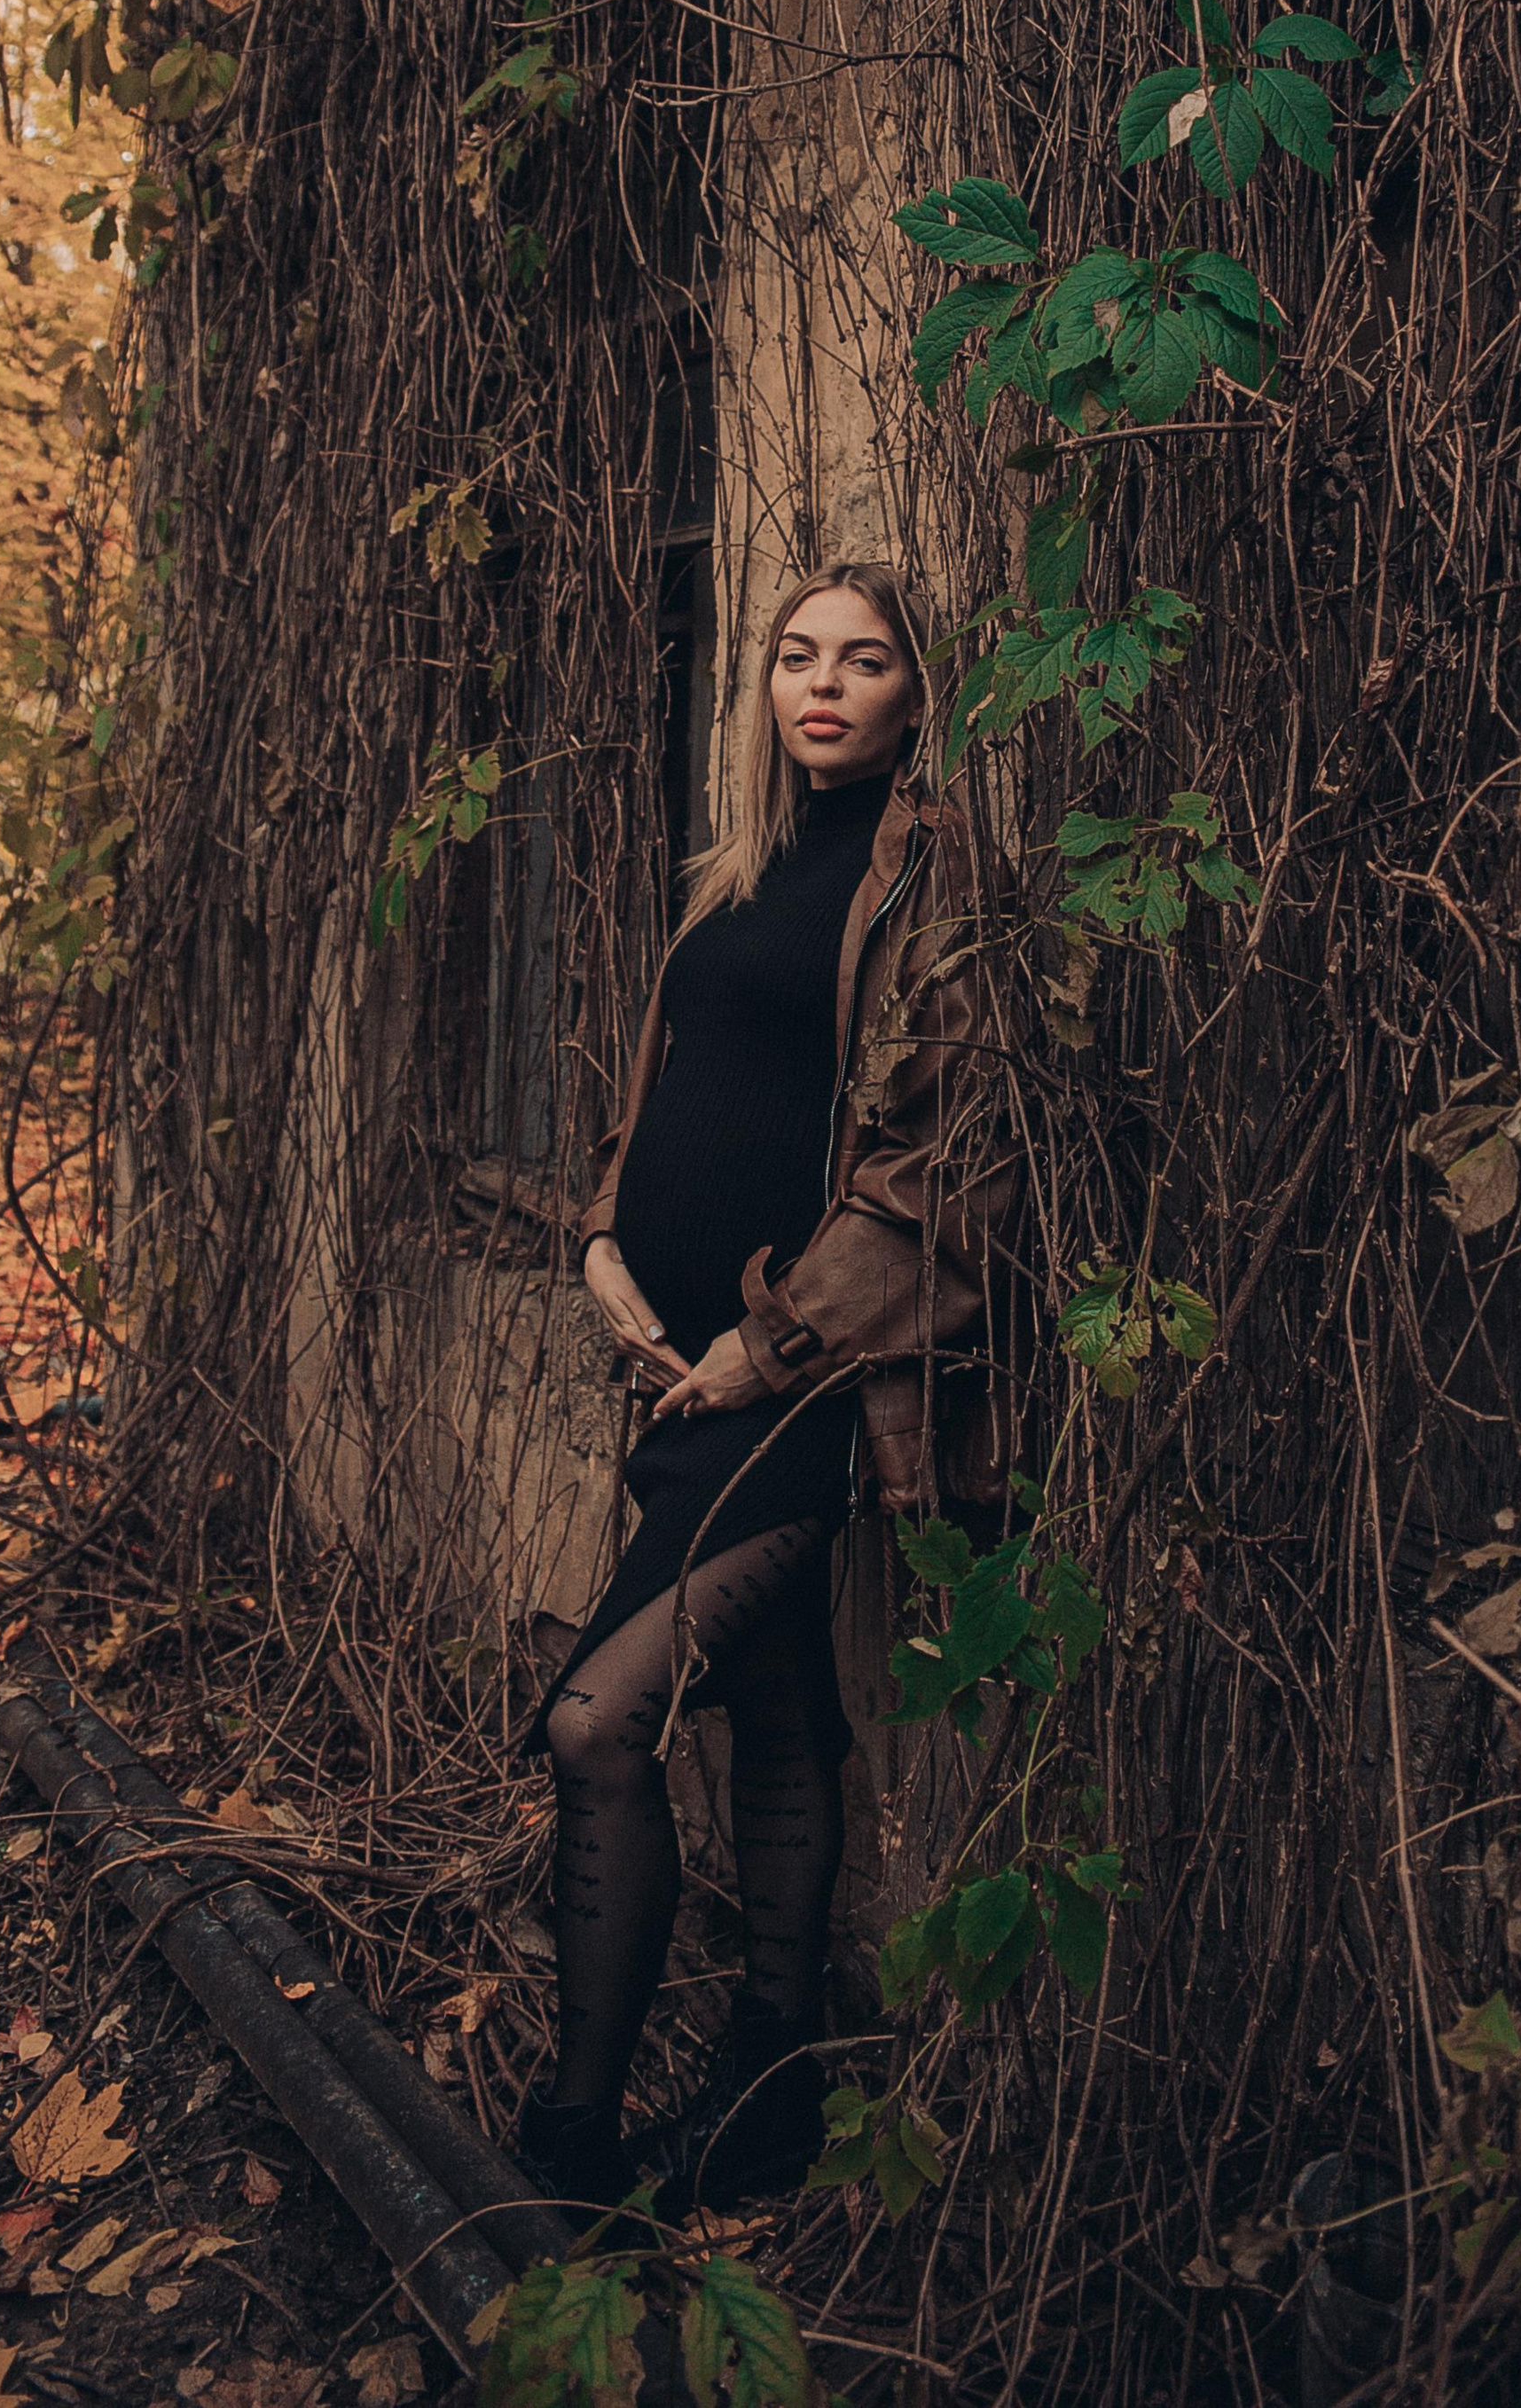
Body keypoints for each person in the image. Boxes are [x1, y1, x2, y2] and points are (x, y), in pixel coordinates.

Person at [516, 558, 1013, 2227]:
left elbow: (943, 1175)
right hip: (674, 1369)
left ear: (917, 692)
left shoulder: (930, 878)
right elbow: (669, 1098)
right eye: (797, 657)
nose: (824, 687)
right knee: (786, 1707)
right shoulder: (735, 872)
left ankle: (572, 2138)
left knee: (602, 1721)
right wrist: (599, 1247)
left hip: (801, 1387)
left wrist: (771, 1343)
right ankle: (775, 2077)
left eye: (865, 662)